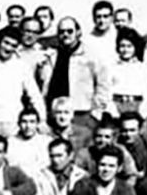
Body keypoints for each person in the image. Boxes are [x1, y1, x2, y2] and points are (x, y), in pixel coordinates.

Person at [43, 17, 111, 149]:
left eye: (70, 31)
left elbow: (103, 84)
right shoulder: (52, 55)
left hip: (81, 113)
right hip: (56, 114)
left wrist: (96, 113)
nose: (66, 35)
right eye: (62, 31)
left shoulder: (91, 55)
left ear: (78, 32)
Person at [8, 107, 51, 181]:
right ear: (19, 124)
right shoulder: (10, 143)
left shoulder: (46, 142)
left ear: (37, 124)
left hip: (41, 182)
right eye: (24, 122)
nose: (28, 126)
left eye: (32, 122)